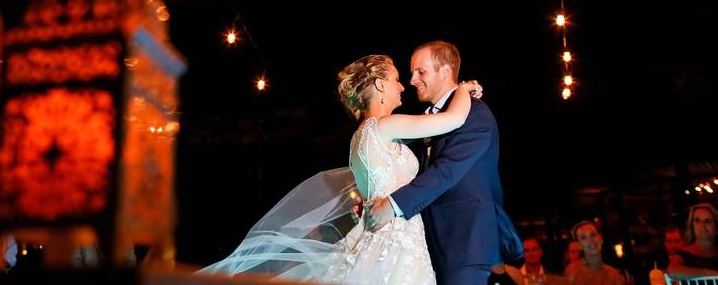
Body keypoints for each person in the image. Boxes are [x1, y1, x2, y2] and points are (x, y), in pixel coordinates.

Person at [201, 52, 481, 283]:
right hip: (396, 243)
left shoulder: (360, 137)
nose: (402, 86)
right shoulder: (385, 126)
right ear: (381, 85)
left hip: (377, 235)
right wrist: (465, 88)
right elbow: (453, 119)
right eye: (396, 80)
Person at [365, 41, 523, 285]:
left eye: (421, 72)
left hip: (466, 244)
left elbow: (446, 170)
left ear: (446, 72)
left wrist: (393, 204)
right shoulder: (429, 120)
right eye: (411, 73)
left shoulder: (475, 113)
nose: (413, 80)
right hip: (429, 247)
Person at [666, 204, 718, 280]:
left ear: (717, 228)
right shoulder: (683, 255)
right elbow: (672, 271)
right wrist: (715, 274)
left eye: (708, 221)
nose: (702, 225)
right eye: (697, 220)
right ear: (692, 226)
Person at [564, 220, 630, 284]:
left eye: (593, 235)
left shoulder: (614, 274)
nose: (590, 240)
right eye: (583, 237)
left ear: (601, 238)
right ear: (579, 245)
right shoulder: (574, 271)